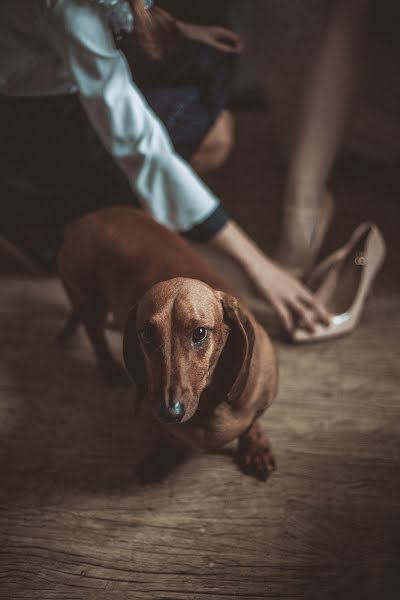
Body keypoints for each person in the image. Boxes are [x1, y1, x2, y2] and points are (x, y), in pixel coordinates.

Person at [0, 0, 329, 334]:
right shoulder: (69, 8)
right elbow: (139, 145)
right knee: (210, 137)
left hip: (60, 60)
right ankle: (59, 221)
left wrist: (177, 29)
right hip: (30, 125)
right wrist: (257, 265)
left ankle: (115, 208)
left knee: (211, 59)